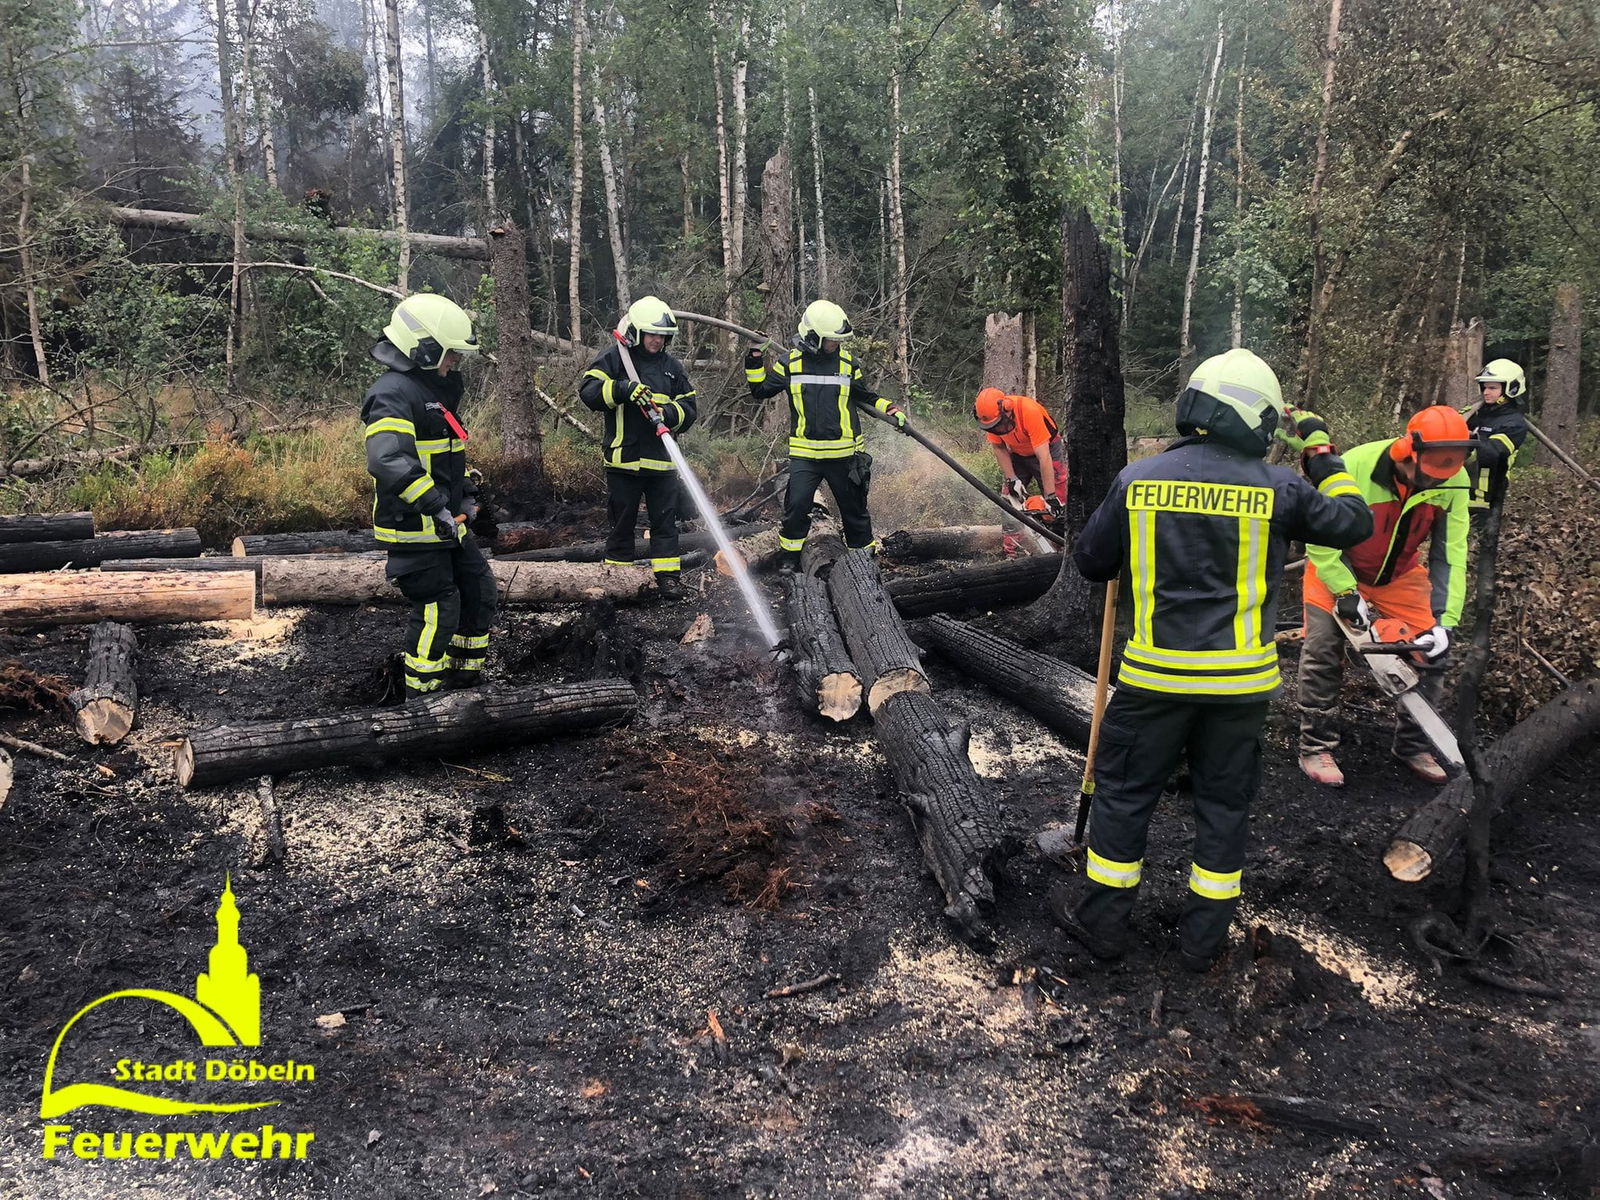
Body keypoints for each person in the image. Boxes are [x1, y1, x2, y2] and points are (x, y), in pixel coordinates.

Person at [1062, 349, 1372, 972]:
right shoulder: (1282, 487)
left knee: (1124, 797)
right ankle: (1203, 943)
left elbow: (1091, 563)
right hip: (1241, 688)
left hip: (1154, 680)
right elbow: (1354, 522)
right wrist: (1322, 456)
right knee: (1224, 807)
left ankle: (1103, 928)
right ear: (1254, 415)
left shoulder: (1138, 480)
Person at [1297, 405, 1474, 788]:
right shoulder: (1357, 465)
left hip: (1398, 573)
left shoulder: (1454, 480)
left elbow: (1451, 553)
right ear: (1407, 453)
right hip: (1336, 563)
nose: (1431, 483)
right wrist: (1344, 590)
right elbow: (1320, 532)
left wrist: (1446, 619)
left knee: (1432, 649)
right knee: (1323, 648)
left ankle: (1412, 744)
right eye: (1425, 473)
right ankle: (1315, 744)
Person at [361, 294, 498, 700]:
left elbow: (447, 456)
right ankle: (423, 694)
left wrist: (468, 495)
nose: (454, 361)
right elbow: (388, 460)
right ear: (423, 347)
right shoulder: (392, 393)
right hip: (413, 527)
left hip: (444, 523)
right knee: (440, 605)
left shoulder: (433, 389)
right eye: (450, 353)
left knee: (479, 590)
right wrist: (436, 506)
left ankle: (464, 681)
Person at [746, 300, 906, 570]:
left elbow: (866, 397)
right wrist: (754, 359)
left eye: (837, 340)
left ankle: (864, 563)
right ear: (812, 337)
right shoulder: (790, 364)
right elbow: (760, 390)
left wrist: (889, 409)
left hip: (844, 456)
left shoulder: (847, 364)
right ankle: (790, 559)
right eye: (831, 340)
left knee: (854, 513)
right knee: (796, 508)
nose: (836, 345)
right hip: (805, 456)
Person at [579, 296, 698, 599]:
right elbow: (589, 392)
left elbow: (690, 408)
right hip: (625, 461)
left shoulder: (672, 368)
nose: (657, 340)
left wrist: (669, 413)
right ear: (636, 332)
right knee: (622, 525)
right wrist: (623, 389)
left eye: (662, 335)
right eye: (652, 334)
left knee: (665, 524)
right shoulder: (615, 359)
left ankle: (668, 579)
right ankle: (618, 580)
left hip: (662, 463)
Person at [1463, 358, 1532, 512]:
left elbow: (1495, 453)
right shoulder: (1477, 414)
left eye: (1492, 388)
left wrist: (1470, 439)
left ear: (1511, 389)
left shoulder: (1514, 423)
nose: (1486, 392)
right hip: (1461, 490)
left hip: (1488, 496)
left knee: (1485, 535)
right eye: (1484, 387)